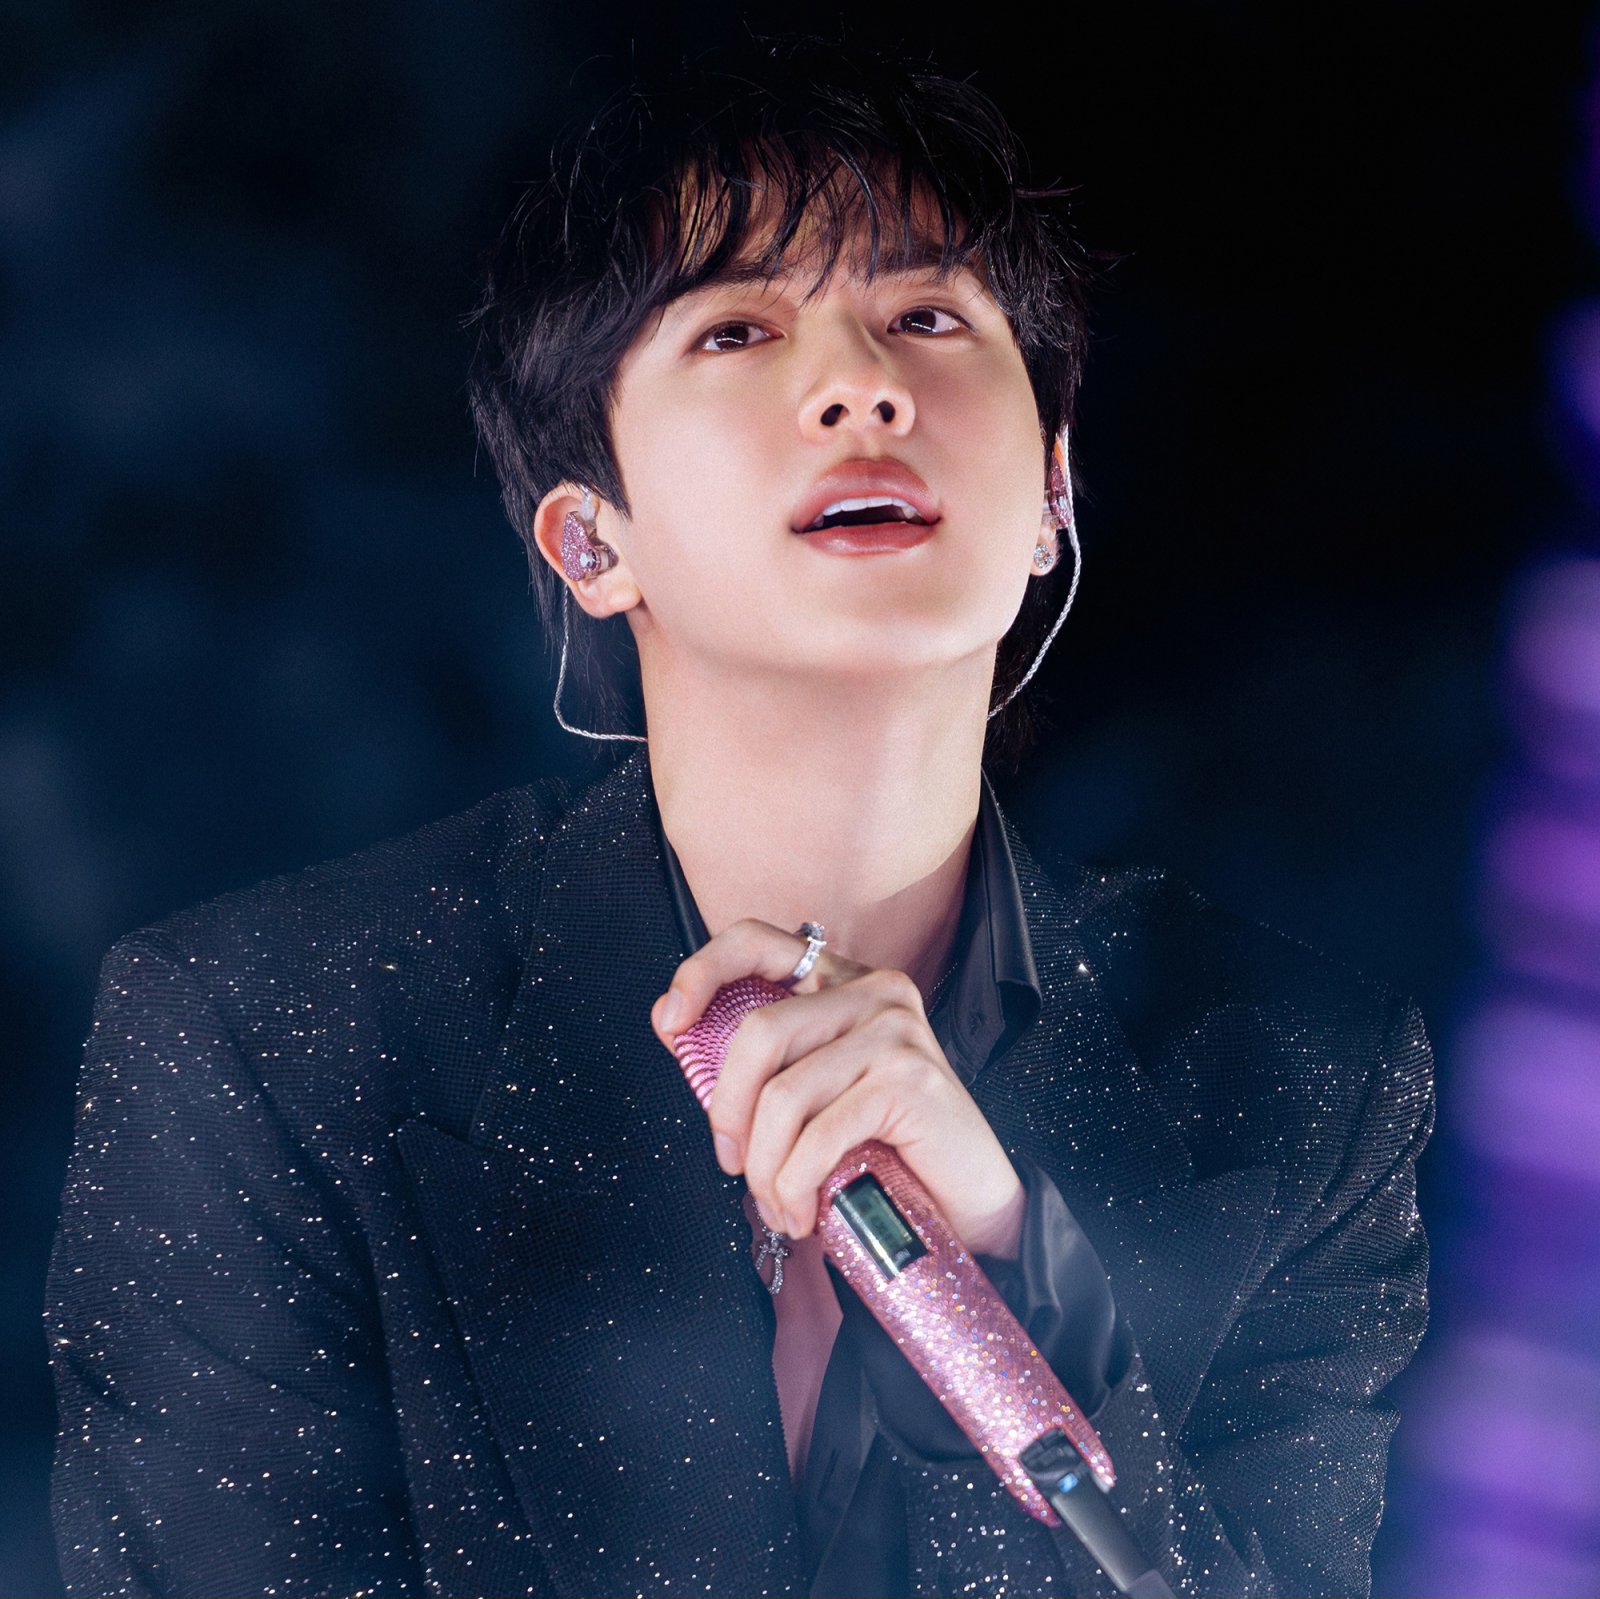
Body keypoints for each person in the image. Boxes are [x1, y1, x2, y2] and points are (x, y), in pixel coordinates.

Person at [44, 36, 1433, 1599]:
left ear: (1054, 492)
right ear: (591, 541)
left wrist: (1005, 1272)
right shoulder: (268, 1044)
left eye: (927, 316)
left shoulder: (1298, 1085)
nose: (863, 386)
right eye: (738, 329)